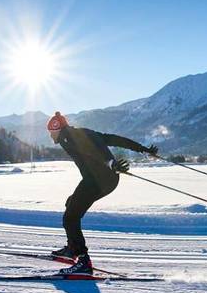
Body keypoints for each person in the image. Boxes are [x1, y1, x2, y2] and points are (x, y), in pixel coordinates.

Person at [46, 112, 157, 275]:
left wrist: (110, 162)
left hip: (99, 179)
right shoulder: (81, 132)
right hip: (106, 178)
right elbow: (112, 139)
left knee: (70, 217)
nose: (50, 135)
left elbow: (92, 150)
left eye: (50, 131)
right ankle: (72, 249)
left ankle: (83, 262)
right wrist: (142, 149)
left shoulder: (67, 137)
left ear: (56, 128)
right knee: (71, 203)